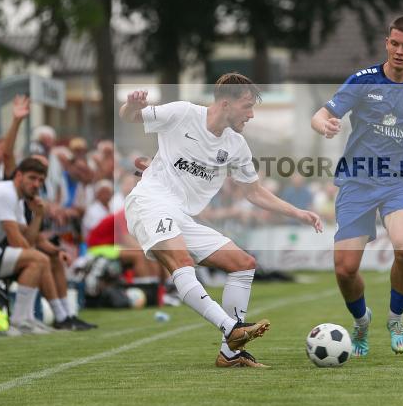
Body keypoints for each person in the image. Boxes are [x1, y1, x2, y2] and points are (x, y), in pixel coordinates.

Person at [119, 73, 322, 368]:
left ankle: (230, 354)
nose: (251, 115)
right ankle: (231, 329)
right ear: (226, 104)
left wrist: (299, 212)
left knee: (243, 264)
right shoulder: (183, 113)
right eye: (247, 106)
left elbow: (254, 192)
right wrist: (131, 104)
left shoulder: (236, 146)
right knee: (182, 261)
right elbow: (130, 117)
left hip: (181, 215)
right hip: (149, 201)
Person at [310, 15, 403, 357]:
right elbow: (321, 113)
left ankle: (396, 320)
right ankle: (361, 322)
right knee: (345, 269)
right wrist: (322, 125)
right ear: (386, 43)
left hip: (398, 182)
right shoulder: (362, 81)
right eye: (394, 44)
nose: (399, 51)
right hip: (357, 182)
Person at [0, 157, 93, 334]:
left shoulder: (17, 199)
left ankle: (60, 317)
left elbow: (30, 238)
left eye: (40, 180)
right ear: (18, 175)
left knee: (49, 258)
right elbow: (17, 241)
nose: (36, 184)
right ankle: (20, 321)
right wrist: (39, 254)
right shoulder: (5, 193)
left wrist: (40, 219)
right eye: (32, 178)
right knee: (38, 259)